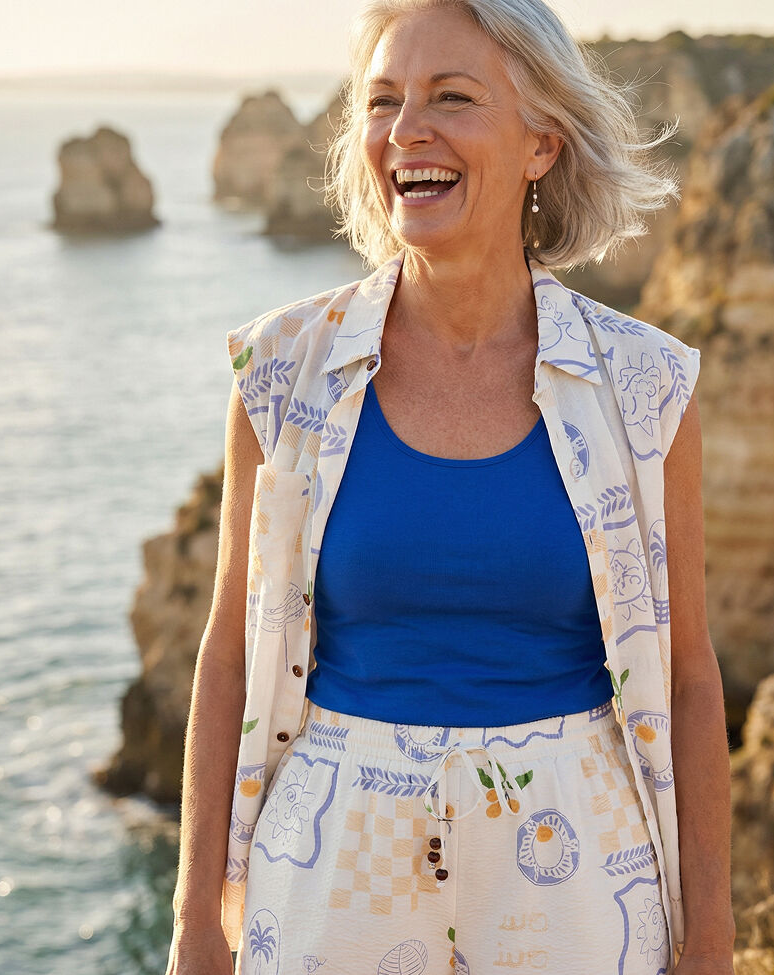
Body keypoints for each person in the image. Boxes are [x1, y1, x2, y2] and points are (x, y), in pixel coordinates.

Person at [165, 0, 735, 973]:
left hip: (579, 893)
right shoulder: (282, 370)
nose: (405, 130)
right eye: (382, 101)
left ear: (541, 144)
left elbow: (686, 682)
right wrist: (192, 928)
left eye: (452, 97)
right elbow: (227, 657)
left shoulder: (645, 389)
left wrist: (710, 942)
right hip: (329, 888)